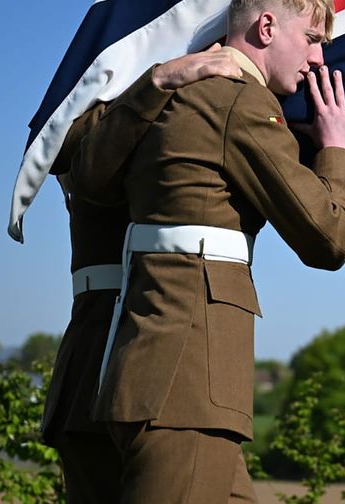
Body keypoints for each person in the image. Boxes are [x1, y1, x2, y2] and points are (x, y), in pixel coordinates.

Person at [69, 0, 345, 503]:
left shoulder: (172, 90)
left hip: (160, 370)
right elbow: (330, 239)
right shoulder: (238, 101)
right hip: (186, 377)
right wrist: (337, 150)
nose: (320, 58)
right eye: (312, 39)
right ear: (266, 28)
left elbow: (91, 179)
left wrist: (155, 81)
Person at [41, 47, 244, 503]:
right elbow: (64, 151)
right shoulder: (105, 122)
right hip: (132, 359)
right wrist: (160, 82)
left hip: (130, 360)